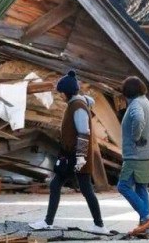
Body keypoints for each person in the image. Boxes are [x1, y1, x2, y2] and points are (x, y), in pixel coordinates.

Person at [29, 70, 111, 235]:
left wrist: (80, 157)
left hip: (77, 156)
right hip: (70, 155)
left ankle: (99, 225)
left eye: (60, 93)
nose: (60, 96)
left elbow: (84, 132)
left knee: (85, 189)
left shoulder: (78, 107)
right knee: (57, 185)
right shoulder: (76, 104)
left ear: (66, 92)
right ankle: (49, 222)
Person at [117, 76, 149, 236]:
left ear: (127, 92)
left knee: (123, 186)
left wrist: (135, 137)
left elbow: (138, 118)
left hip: (136, 156)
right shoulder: (145, 101)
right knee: (141, 187)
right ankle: (144, 227)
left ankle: (147, 217)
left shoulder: (135, 104)